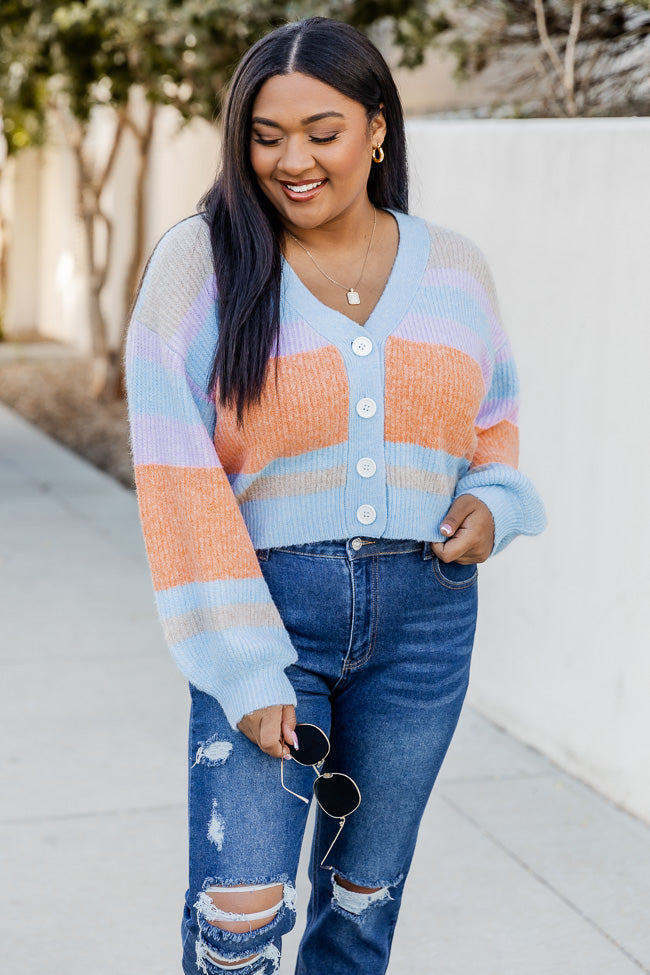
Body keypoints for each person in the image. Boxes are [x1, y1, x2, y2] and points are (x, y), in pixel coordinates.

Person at [125, 16, 546, 975]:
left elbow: (494, 426)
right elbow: (177, 476)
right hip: (267, 610)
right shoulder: (202, 263)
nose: (292, 159)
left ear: (378, 127)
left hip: (425, 624)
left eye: (323, 130)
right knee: (239, 919)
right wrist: (244, 666)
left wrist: (493, 503)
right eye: (265, 136)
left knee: (361, 910)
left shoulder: (453, 266)